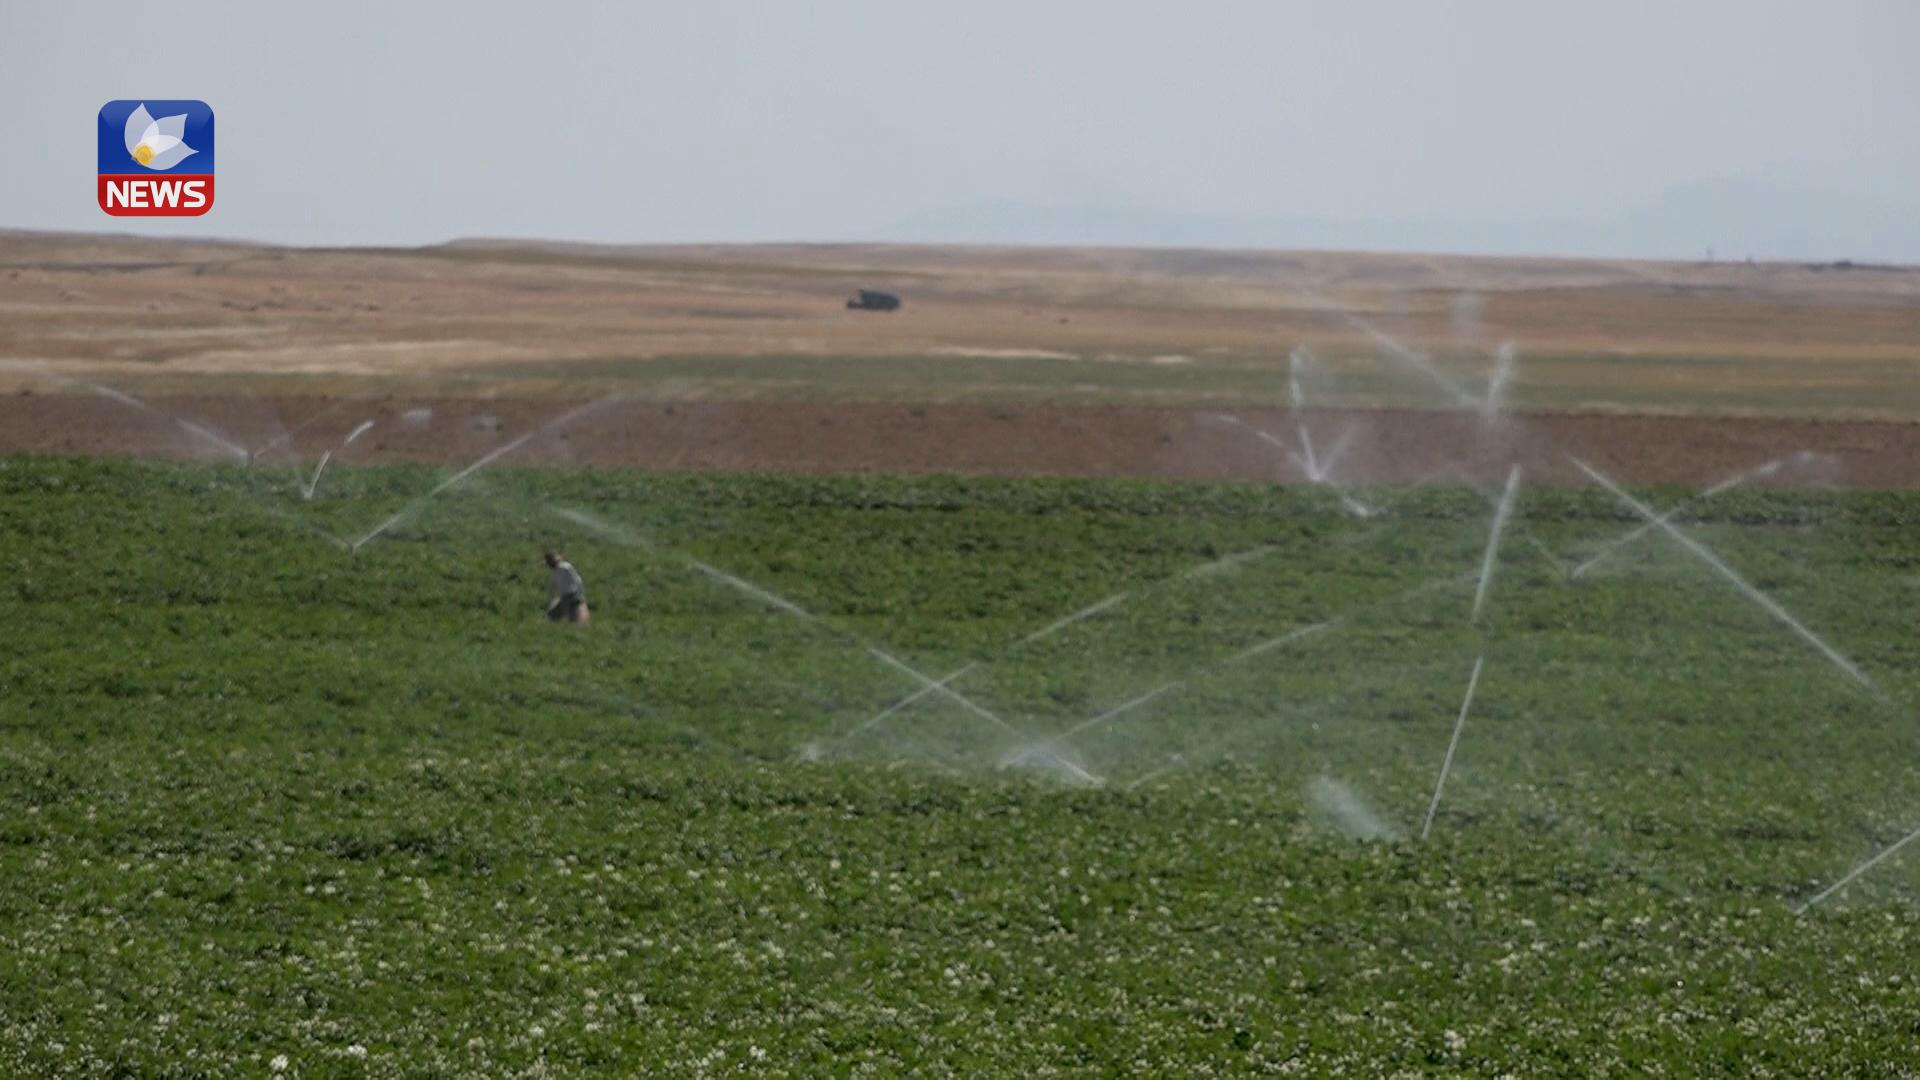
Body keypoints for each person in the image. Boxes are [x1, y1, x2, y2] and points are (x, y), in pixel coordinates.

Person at [544, 551, 589, 624]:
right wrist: (551, 598)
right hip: (563, 595)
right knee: (551, 615)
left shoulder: (566, 568)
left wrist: (580, 593)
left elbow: (577, 580)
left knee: (569, 616)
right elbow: (554, 585)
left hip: (572, 594)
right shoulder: (553, 571)